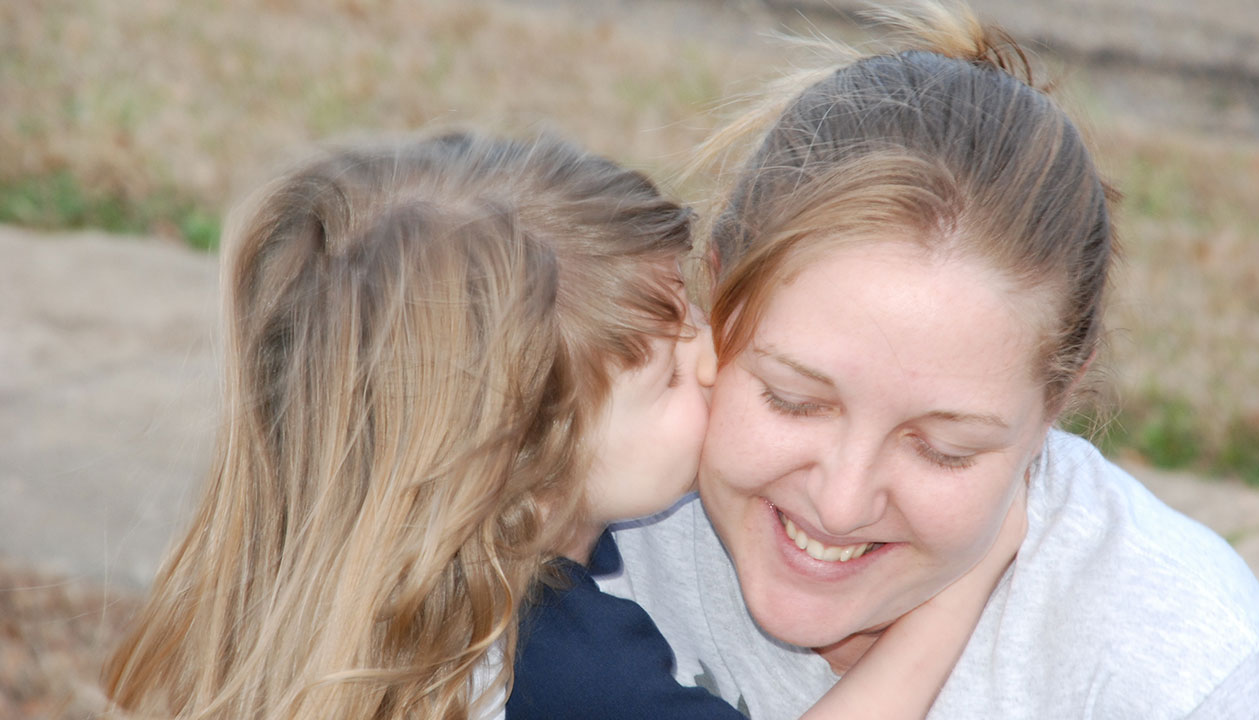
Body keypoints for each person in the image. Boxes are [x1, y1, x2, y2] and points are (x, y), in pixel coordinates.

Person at [101, 131, 1008, 720]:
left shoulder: (376, 610)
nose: (710, 355)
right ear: (527, 477)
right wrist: (960, 586)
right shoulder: (550, 659)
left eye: (684, 305)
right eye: (664, 370)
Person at [600, 3, 1259, 718]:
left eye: (943, 450)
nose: (841, 501)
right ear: (715, 300)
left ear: (1057, 405)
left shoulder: (1189, 673)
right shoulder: (582, 501)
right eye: (793, 399)